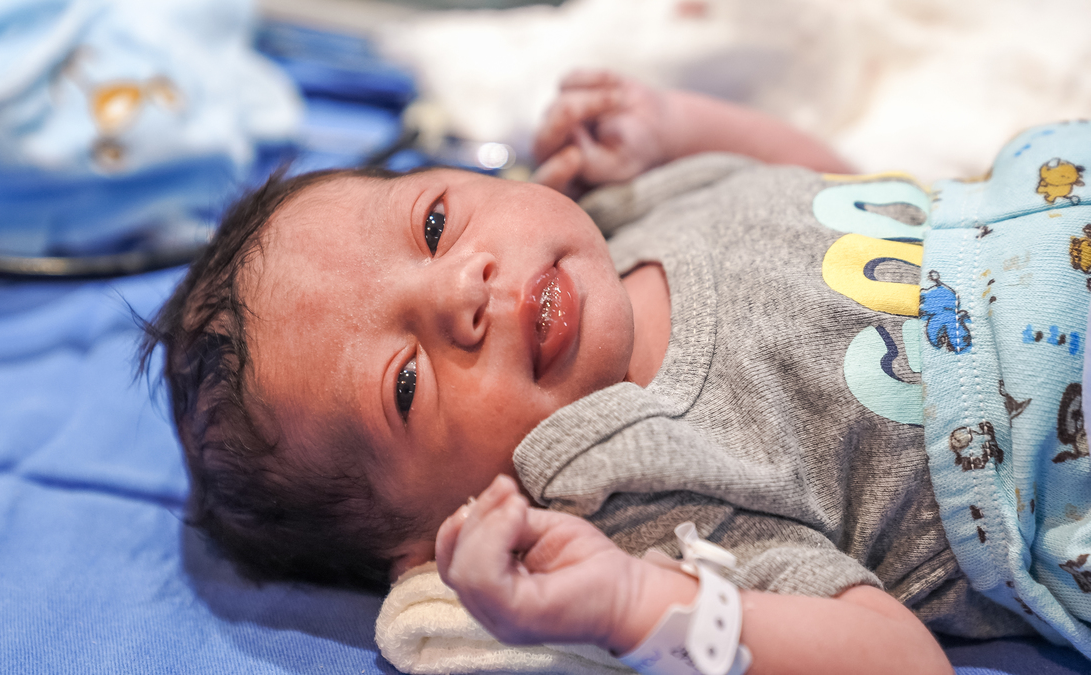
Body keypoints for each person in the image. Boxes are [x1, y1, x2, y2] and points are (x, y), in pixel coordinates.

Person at [142, 70, 1090, 674]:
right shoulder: (640, 497)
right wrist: (638, 608)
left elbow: (839, 186)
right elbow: (895, 659)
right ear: (436, 540)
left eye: (433, 225)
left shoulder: (636, 214)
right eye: (405, 382)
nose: (461, 290)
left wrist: (680, 122)